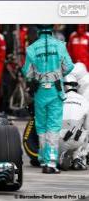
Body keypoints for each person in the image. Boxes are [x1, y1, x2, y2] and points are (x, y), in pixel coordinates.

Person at [22, 24, 74, 174]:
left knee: (41, 126)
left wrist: (39, 74)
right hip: (55, 90)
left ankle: (44, 160)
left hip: (40, 92)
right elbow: (69, 67)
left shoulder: (31, 48)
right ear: (51, 30)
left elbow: (27, 72)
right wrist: (58, 73)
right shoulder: (60, 46)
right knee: (54, 126)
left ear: (38, 31)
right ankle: (51, 162)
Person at [59, 74, 89, 170]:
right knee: (84, 130)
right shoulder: (84, 100)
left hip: (58, 140)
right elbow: (87, 126)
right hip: (77, 140)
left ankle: (60, 155)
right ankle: (78, 157)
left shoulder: (57, 99)